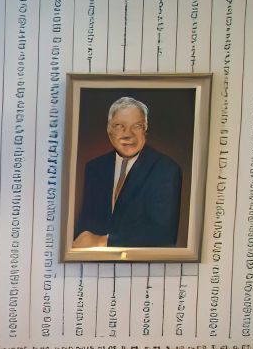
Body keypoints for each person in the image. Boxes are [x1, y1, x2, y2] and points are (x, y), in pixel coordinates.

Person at [73, 95, 182, 249]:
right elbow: (86, 226)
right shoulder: (95, 168)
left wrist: (102, 241)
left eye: (136, 126)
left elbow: (164, 235)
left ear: (145, 129)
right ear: (109, 129)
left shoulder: (166, 170)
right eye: (119, 126)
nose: (128, 134)